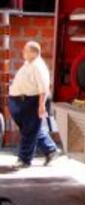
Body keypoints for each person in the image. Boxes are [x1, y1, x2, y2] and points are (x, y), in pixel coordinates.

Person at [8, 40, 59, 168]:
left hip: (30, 102)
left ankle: (24, 160)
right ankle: (50, 150)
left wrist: (41, 105)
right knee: (31, 129)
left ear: (33, 52)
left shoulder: (38, 66)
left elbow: (44, 88)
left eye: (26, 50)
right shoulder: (29, 63)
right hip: (19, 101)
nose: (23, 52)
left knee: (29, 131)